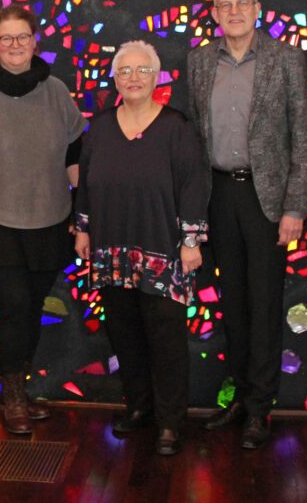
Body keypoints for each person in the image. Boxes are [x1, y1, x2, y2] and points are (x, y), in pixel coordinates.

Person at [186, 0, 307, 449]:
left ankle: (261, 407)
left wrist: (294, 207)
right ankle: (239, 397)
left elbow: (301, 137)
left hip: (267, 200)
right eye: (225, 4)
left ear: (258, 8)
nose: (234, 11)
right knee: (232, 303)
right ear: (215, 12)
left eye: (243, 3)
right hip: (218, 195)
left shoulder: (284, 59)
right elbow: (195, 138)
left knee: (262, 303)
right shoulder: (199, 61)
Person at [0, 4, 87, 434]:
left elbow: (76, 159)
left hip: (50, 221)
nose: (14, 46)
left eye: (22, 37)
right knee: (15, 305)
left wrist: (82, 220)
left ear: (34, 41)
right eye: (5, 38)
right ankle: (11, 393)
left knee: (30, 310)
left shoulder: (57, 92)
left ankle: (20, 388)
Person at [74, 40, 207, 456]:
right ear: (115, 79)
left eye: (142, 70)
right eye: (125, 71)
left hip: (164, 252)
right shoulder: (97, 129)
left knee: (166, 339)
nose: (133, 78)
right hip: (111, 250)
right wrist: (82, 231)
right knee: (125, 335)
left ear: (157, 77)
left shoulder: (176, 128)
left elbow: (195, 185)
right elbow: (86, 185)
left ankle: (170, 422)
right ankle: (139, 408)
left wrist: (190, 240)